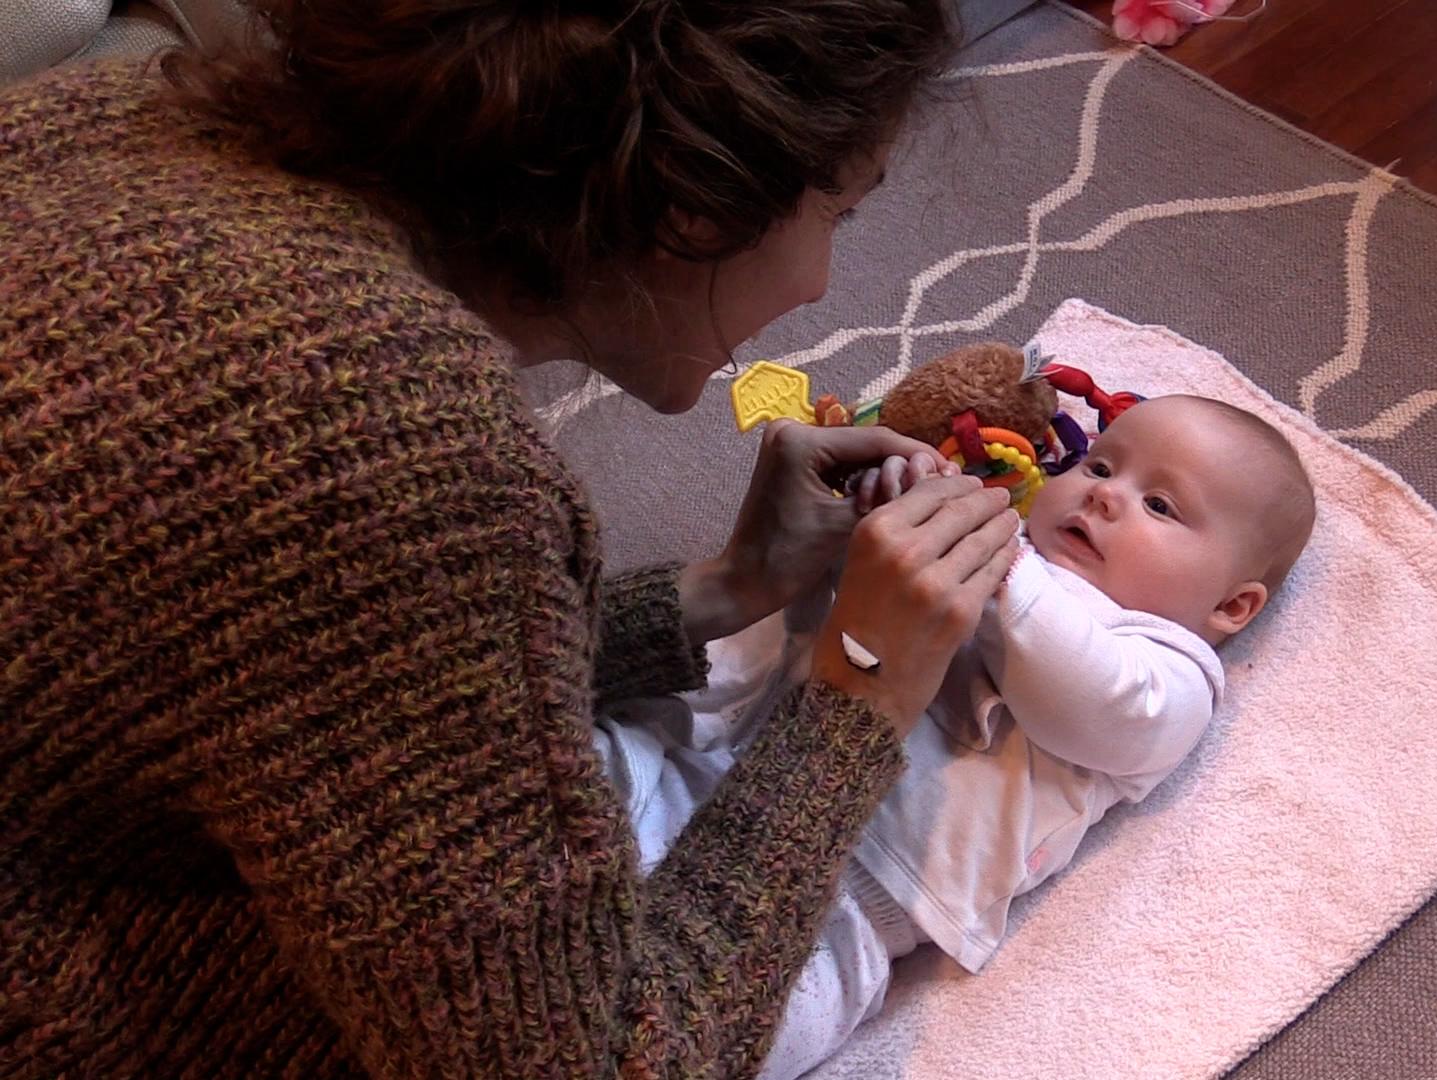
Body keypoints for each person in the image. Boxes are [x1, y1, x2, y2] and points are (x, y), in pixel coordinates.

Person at [0, 1, 1026, 1077]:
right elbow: (599, 1063)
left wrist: (725, 588)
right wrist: (859, 698)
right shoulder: (386, 436)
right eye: (842, 214)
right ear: (698, 199)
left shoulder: (120, 112)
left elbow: (320, 690)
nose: (821, 283)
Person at [598, 394, 1318, 1078]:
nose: (1104, 494)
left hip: (846, 912)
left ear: (1232, 605)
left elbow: (1100, 699)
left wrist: (1004, 570)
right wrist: (893, 506)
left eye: (1160, 506)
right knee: (590, 778)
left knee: (752, 1029)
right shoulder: (1007, 552)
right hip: (709, 766)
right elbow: (854, 597)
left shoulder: (1167, 669)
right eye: (1099, 465)